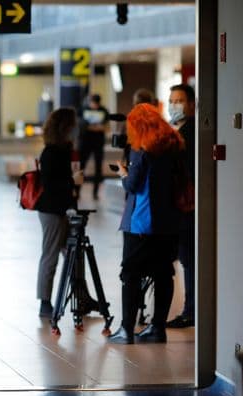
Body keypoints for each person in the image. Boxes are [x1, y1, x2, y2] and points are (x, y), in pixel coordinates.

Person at [109, 104, 183, 344]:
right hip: (169, 222)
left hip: (141, 223)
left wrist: (122, 173)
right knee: (163, 274)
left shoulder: (141, 150)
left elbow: (133, 185)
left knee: (130, 274)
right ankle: (157, 328)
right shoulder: (174, 146)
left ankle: (126, 329)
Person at [35, 108, 85, 318]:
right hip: (52, 211)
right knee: (51, 255)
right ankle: (45, 302)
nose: (76, 129)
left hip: (65, 208)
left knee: (74, 255)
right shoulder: (51, 152)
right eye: (72, 125)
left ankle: (80, 296)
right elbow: (51, 184)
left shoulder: (66, 149)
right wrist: (73, 181)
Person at [166, 83, 196, 329]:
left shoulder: (192, 134)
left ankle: (191, 310)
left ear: (192, 104)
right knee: (186, 258)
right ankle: (190, 309)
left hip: (189, 206)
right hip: (181, 206)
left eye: (180, 100)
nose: (174, 105)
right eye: (172, 100)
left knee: (189, 258)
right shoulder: (176, 131)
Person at [79, 93, 109, 200]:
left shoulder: (104, 110)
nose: (94, 105)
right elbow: (81, 126)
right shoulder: (83, 109)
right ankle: (77, 191)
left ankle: (95, 193)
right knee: (81, 167)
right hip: (85, 142)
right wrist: (96, 127)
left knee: (98, 168)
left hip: (98, 143)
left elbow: (106, 127)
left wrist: (91, 127)